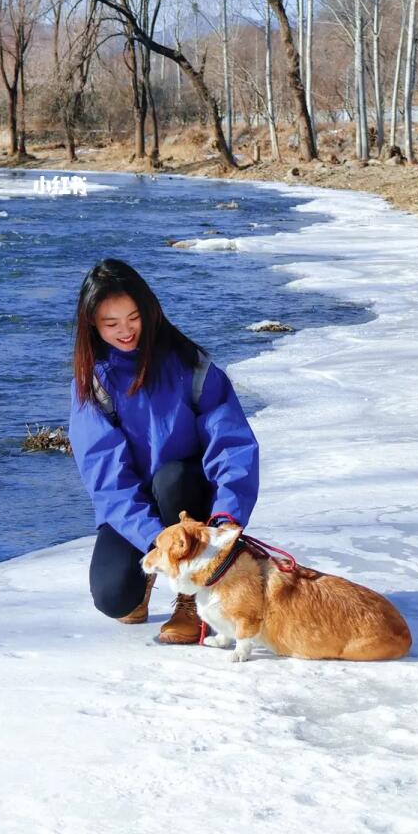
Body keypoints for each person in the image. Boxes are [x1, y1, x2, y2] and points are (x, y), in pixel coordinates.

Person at [68, 257, 259, 645]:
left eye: (133, 317)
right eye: (111, 323)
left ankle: (193, 599)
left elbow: (233, 447)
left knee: (174, 476)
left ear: (150, 309)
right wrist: (156, 540)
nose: (125, 331)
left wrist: (225, 522)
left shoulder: (192, 366)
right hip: (137, 510)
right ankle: (157, 576)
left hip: (191, 503)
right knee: (113, 600)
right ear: (92, 324)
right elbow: (108, 480)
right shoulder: (94, 383)